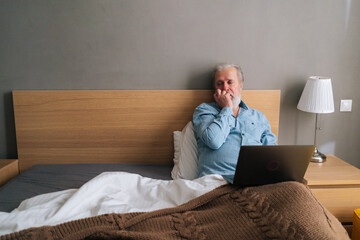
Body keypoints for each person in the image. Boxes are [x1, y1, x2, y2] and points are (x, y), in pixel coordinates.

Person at [193, 63, 277, 183]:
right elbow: (213, 141)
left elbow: (273, 155)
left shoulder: (259, 117)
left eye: (230, 82)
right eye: (219, 83)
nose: (225, 88)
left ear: (240, 86)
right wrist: (227, 108)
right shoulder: (204, 111)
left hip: (256, 182)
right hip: (216, 182)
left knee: (298, 191)